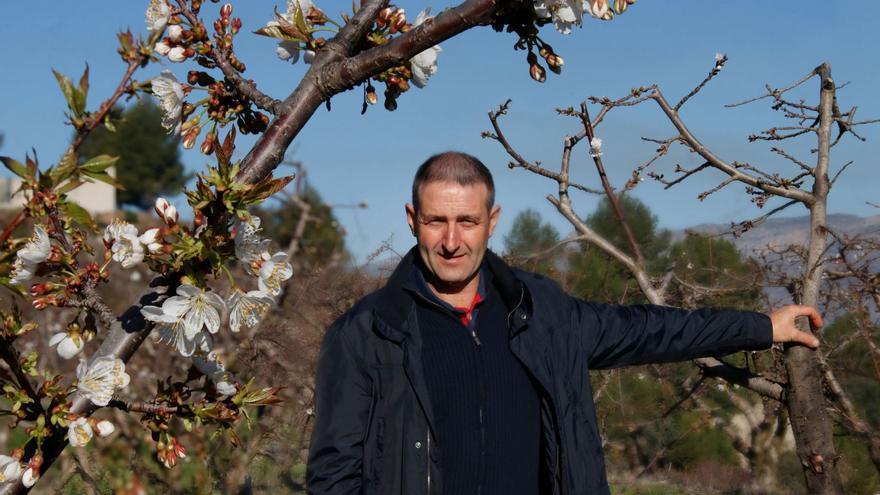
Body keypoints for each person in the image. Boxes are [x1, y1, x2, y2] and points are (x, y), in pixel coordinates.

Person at [306, 151, 822, 495]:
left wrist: (760, 327)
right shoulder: (368, 332)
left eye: (467, 221)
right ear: (412, 219)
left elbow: (651, 330)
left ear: (492, 221)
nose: (451, 240)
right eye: (437, 220)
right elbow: (333, 475)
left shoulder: (540, 313)